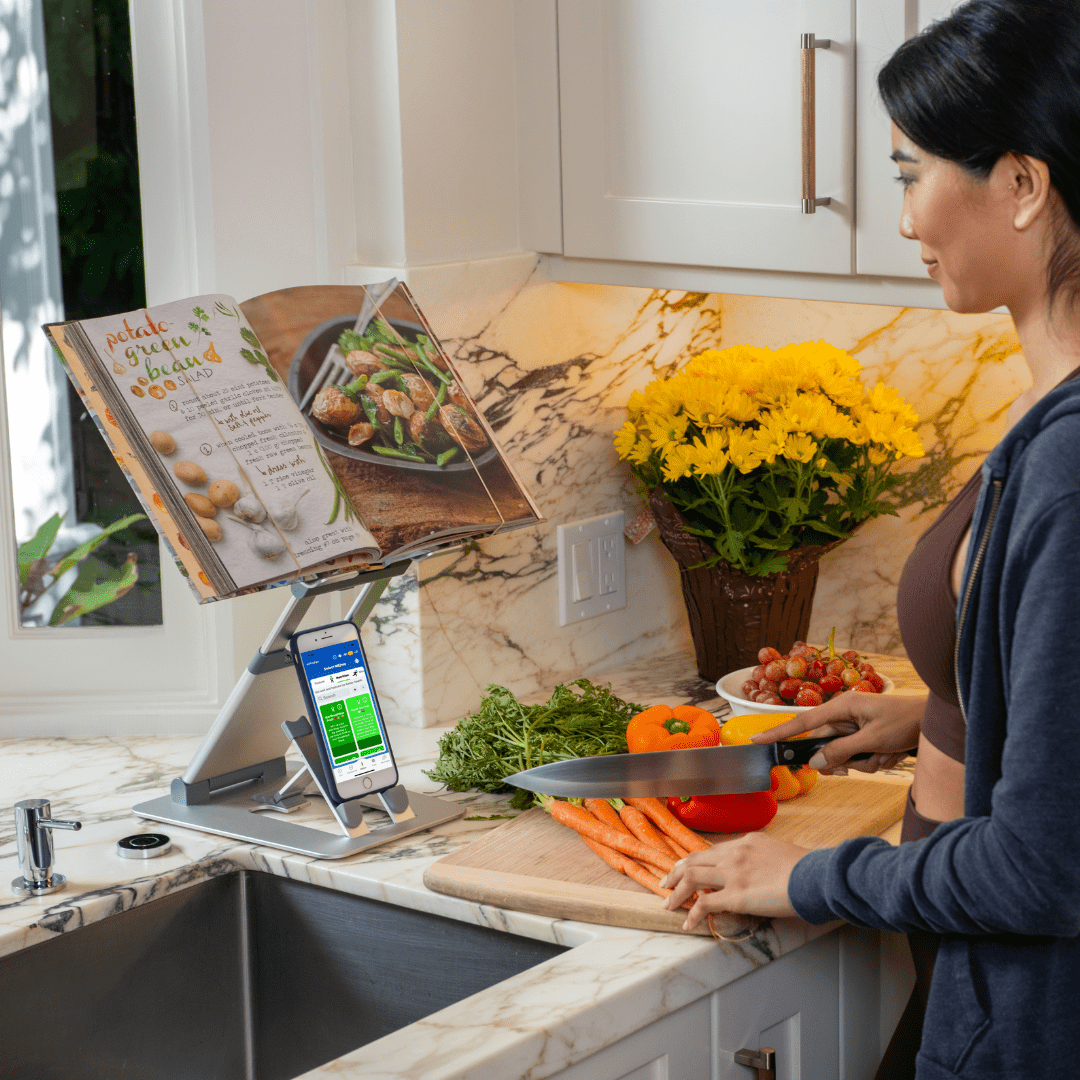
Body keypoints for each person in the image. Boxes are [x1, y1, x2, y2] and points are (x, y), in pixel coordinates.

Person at [659, 2, 1080, 1077]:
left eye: (910, 175)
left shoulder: (1071, 463)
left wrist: (806, 875)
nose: (903, 221)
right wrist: (932, 709)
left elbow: (1042, 869)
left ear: (1024, 186)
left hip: (1028, 1012)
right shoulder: (1052, 414)